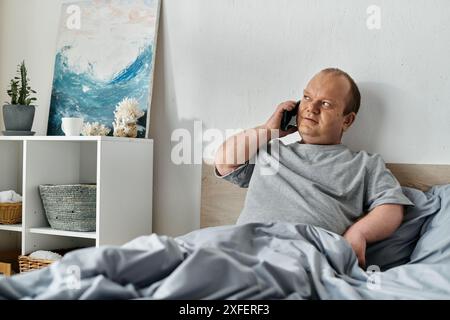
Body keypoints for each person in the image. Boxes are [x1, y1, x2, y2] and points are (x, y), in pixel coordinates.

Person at [214, 68, 413, 268]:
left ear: (347, 120)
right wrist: (268, 130)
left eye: (325, 103)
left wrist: (358, 233)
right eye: (307, 97)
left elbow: (391, 207)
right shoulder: (269, 150)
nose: (311, 108)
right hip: (240, 249)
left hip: (303, 257)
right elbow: (224, 162)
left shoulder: (364, 164)